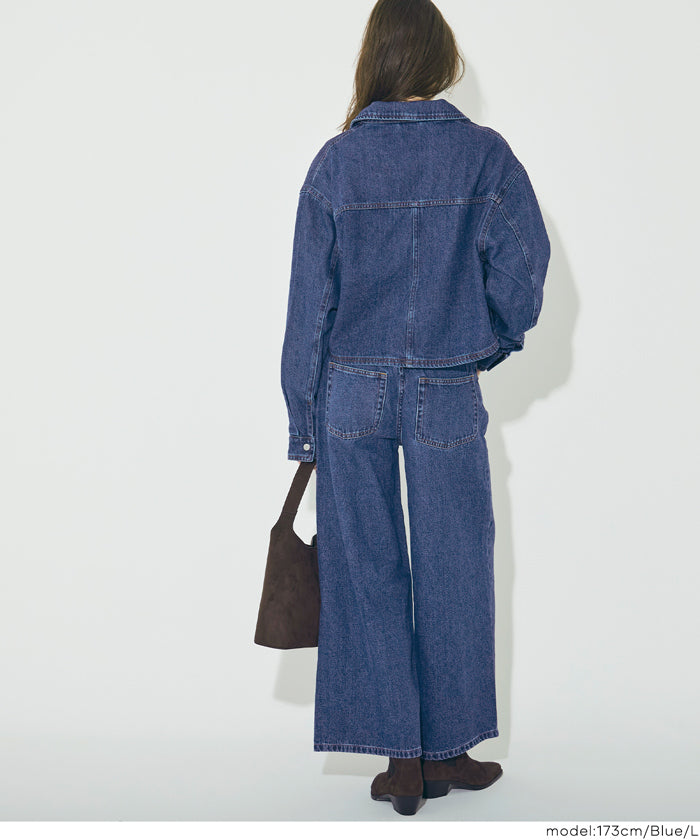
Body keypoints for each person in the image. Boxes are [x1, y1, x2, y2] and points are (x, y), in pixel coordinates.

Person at [280, 0, 551, 816]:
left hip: (350, 389)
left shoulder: (337, 163)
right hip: (445, 386)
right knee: (456, 564)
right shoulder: (483, 155)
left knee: (364, 566)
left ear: (376, 58)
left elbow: (308, 307)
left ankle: (406, 760)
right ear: (441, 59)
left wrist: (304, 420)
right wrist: (483, 342)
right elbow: (524, 271)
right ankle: (447, 749)